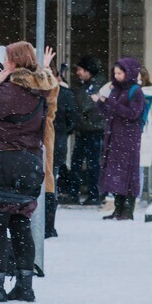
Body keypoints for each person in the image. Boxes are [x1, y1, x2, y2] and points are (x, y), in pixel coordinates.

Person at [0, 41, 59, 303]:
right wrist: (45, 69)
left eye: (6, 59)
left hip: (3, 165)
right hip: (29, 166)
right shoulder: (40, 91)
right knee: (20, 225)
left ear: (14, 63)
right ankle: (25, 285)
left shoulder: (10, 91)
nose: (3, 63)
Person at [96, 57, 149, 218]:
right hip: (114, 137)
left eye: (120, 73)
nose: (117, 76)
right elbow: (110, 113)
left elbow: (133, 114)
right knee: (115, 173)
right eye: (115, 73)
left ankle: (127, 210)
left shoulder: (136, 91)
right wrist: (101, 104)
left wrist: (112, 104)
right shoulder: (116, 89)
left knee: (128, 172)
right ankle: (118, 209)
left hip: (128, 138)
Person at [62, 58, 105, 203]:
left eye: (80, 70)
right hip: (85, 130)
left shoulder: (96, 86)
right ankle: (82, 193)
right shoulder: (86, 86)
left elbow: (86, 106)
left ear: (88, 71)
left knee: (90, 164)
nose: (77, 73)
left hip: (92, 130)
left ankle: (92, 194)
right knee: (81, 163)